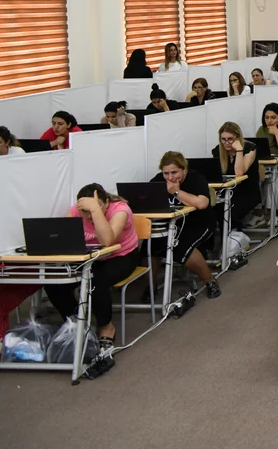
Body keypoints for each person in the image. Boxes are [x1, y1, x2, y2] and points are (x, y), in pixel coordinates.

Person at [42, 183, 140, 348]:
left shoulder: (120, 210)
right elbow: (62, 234)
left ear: (106, 203)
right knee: (54, 283)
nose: (87, 216)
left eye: (92, 209)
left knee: (96, 283)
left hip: (121, 256)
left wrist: (95, 211)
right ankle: (76, 323)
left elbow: (107, 241)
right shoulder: (77, 210)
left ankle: (107, 327)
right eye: (84, 211)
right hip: (91, 258)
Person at [148, 151, 221, 298]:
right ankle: (150, 286)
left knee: (181, 245)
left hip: (199, 221)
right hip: (171, 223)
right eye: (166, 173)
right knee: (150, 246)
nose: (170, 177)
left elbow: (202, 203)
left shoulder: (196, 179)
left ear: (184, 170)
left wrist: (176, 192)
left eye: (174, 172)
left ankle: (210, 281)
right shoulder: (158, 181)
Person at [212, 121, 259, 228]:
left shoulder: (250, 148)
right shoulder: (217, 150)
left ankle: (234, 234)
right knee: (214, 210)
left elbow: (239, 173)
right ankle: (226, 236)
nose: (226, 142)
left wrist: (239, 150)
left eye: (230, 139)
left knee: (230, 212)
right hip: (226, 192)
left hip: (247, 192)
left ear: (237, 138)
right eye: (223, 139)